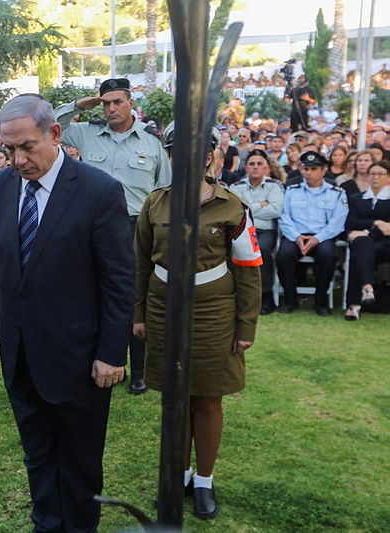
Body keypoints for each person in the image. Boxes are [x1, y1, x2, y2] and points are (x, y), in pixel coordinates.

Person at [0, 94, 133, 533]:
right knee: (38, 452)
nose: (18, 159)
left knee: (79, 462)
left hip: (80, 360)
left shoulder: (99, 191)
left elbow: (118, 282)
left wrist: (111, 353)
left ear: (55, 134)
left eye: (27, 147)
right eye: (8, 150)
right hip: (20, 355)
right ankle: (46, 524)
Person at [133, 126, 262, 520]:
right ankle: (178, 475)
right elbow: (139, 263)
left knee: (206, 397)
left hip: (213, 312)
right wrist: (137, 314)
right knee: (174, 398)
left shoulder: (231, 206)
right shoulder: (156, 203)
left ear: (209, 156)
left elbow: (249, 268)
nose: (183, 158)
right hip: (162, 307)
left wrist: (245, 327)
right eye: (175, 151)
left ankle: (203, 479)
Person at [54, 77, 171, 395]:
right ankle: (98, 360)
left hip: (137, 227)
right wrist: (78, 106)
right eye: (105, 102)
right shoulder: (86, 133)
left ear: (132, 103)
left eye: (117, 101)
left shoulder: (152, 142)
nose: (110, 108)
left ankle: (139, 371)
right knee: (92, 294)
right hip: (93, 227)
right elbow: (49, 128)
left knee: (134, 298)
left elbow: (164, 191)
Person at [276, 151, 348, 316]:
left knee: (327, 256)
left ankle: (320, 301)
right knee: (283, 255)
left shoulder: (336, 193)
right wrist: (297, 237)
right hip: (296, 235)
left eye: (314, 169)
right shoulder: (292, 190)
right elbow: (284, 216)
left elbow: (338, 222)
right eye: (306, 169)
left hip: (323, 236)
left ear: (324, 170)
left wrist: (317, 238)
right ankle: (290, 299)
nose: (308, 172)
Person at [230, 149, 285, 314]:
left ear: (266, 168)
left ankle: (265, 296)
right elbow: (237, 212)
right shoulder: (236, 186)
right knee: (232, 249)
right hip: (242, 229)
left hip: (265, 230)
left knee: (262, 250)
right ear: (246, 168)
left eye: (259, 164)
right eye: (251, 164)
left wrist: (249, 208)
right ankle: (238, 294)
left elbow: (276, 210)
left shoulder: (274, 186)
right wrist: (262, 204)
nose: (255, 167)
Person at [343, 160, 390, 320]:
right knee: (362, 246)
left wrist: (366, 231)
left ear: (388, 177)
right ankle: (367, 288)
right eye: (373, 174)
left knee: (360, 251)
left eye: (380, 174)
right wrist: (376, 223)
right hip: (365, 243)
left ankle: (354, 304)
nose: (375, 177)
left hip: (386, 244)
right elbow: (350, 222)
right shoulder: (357, 198)